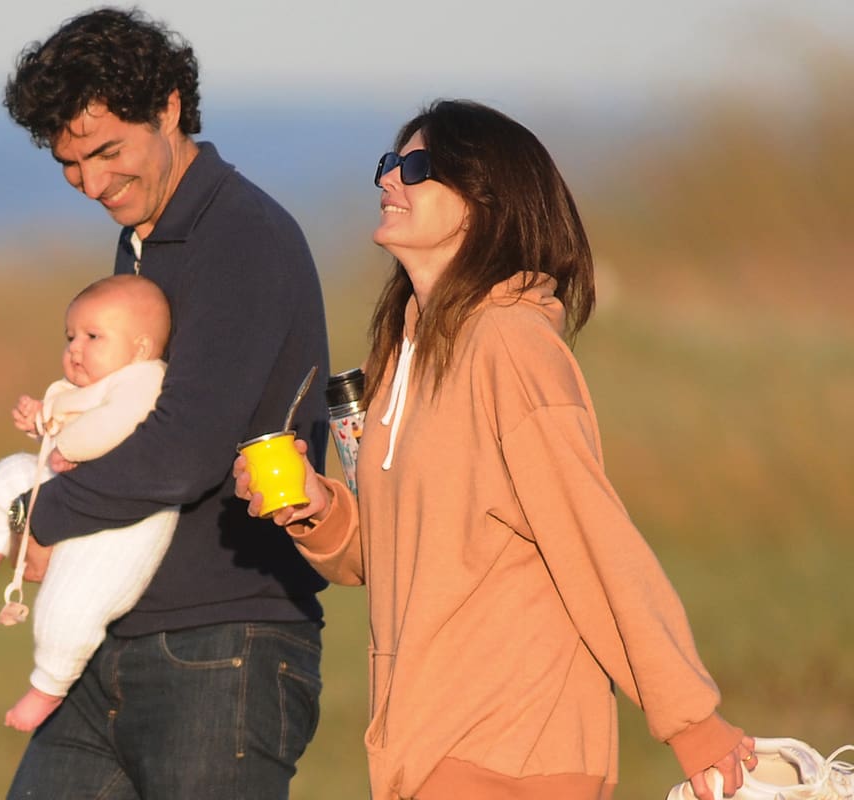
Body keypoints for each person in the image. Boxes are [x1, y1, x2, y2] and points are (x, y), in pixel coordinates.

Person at [235, 99, 755, 800]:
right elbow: (388, 555)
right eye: (389, 163)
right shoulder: (404, 354)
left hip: (515, 744)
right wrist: (317, 505)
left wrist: (691, 720)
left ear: (484, 204)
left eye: (416, 168)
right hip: (426, 742)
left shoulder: (510, 344)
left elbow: (592, 536)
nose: (389, 179)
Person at [0, 7, 330, 799]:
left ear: (172, 107)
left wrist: (40, 513)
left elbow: (184, 450)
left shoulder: (240, 235)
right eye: (70, 164)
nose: (92, 183)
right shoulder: (149, 235)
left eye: (108, 151)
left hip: (224, 645)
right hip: (116, 642)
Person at [0, 274, 179, 732]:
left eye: (92, 337)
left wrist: (66, 445)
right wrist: (38, 421)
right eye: (70, 337)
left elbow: (110, 427)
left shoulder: (144, 380)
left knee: (71, 605)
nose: (75, 349)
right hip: (75, 487)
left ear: (142, 347)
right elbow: (58, 429)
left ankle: (48, 686)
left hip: (125, 525)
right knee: (7, 475)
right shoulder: (83, 388)